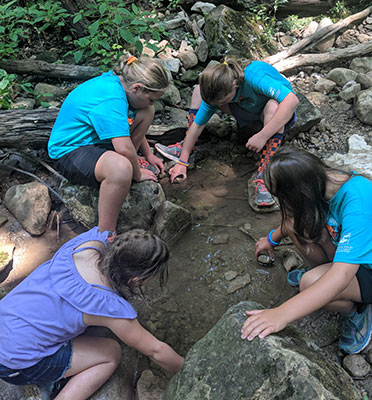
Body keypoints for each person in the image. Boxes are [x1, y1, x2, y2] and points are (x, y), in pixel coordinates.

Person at [241, 146, 372, 354]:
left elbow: (341, 275)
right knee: (293, 224)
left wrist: (281, 314)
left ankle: (359, 310)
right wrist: (271, 239)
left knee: (309, 284)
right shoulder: (325, 182)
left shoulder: (359, 207)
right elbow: (291, 220)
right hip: (359, 254)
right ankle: (324, 283)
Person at [0, 227, 184, 400]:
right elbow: (155, 350)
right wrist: (189, 369)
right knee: (111, 353)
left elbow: (105, 230)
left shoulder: (87, 244)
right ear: (136, 279)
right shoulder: (108, 307)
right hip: (13, 364)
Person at [48, 54, 169, 233]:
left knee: (146, 111)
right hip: (69, 151)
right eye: (152, 98)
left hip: (95, 141)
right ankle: (105, 233)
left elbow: (122, 129)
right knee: (121, 169)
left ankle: (129, 166)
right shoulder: (111, 99)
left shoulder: (119, 84)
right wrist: (136, 174)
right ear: (137, 88)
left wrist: (148, 154)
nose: (153, 102)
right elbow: (123, 147)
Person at [155, 57, 299, 207]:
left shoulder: (254, 76)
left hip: (276, 117)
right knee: (198, 91)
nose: (218, 105)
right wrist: (182, 162)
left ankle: (264, 177)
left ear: (234, 85)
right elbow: (197, 125)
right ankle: (187, 146)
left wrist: (263, 136)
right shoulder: (218, 91)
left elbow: (292, 101)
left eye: (221, 101)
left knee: (273, 106)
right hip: (247, 112)